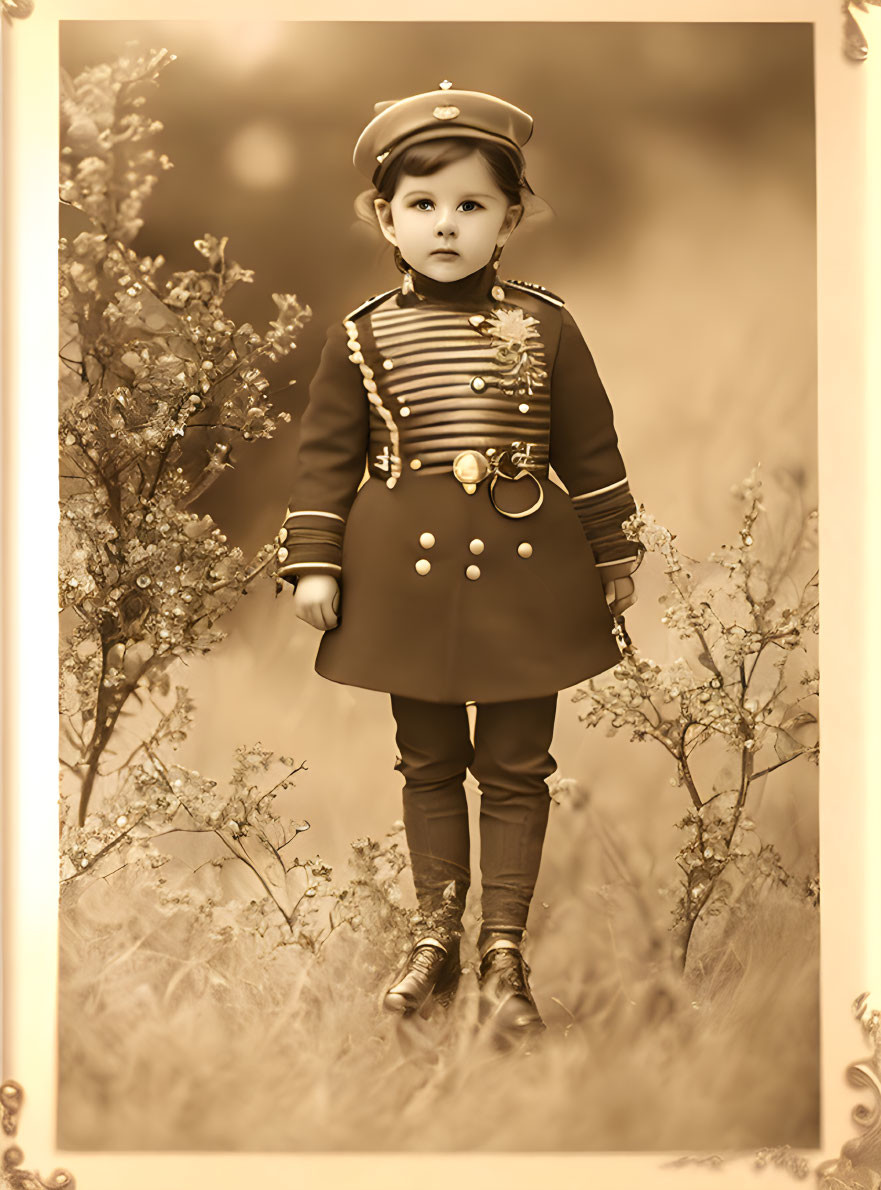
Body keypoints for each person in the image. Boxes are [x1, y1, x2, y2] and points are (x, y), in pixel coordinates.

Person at [273, 83, 642, 1045]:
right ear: (385, 220)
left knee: (517, 767)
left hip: (530, 573)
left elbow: (591, 449)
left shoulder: (548, 324)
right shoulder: (362, 334)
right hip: (406, 575)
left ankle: (503, 953)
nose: (446, 225)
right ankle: (435, 938)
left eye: (471, 205)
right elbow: (325, 454)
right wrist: (318, 563)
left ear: (510, 218)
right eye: (422, 206)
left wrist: (615, 553)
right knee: (429, 763)